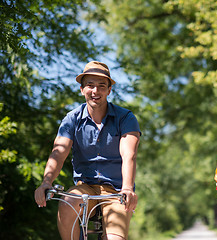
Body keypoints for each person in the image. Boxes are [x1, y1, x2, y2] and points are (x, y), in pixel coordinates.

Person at [34, 61, 141, 240]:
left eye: (101, 86)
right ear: (82, 89)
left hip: (116, 192)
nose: (95, 91)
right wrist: (46, 182)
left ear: (109, 90)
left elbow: (129, 154)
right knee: (68, 202)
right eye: (90, 85)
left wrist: (128, 188)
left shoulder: (125, 118)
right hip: (85, 188)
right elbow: (58, 152)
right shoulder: (72, 119)